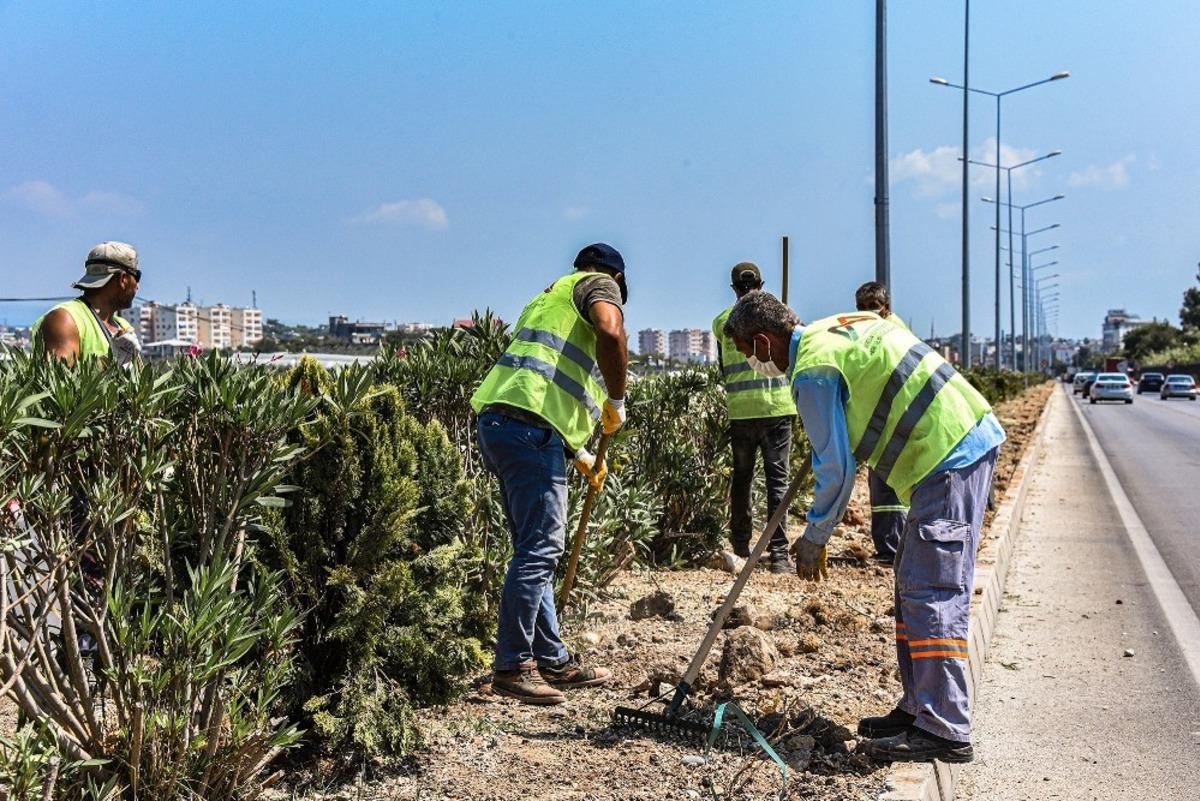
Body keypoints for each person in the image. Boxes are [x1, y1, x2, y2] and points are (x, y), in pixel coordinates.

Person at [723, 292, 1005, 763]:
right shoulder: (835, 328)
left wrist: (814, 537)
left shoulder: (811, 371)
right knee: (912, 585)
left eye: (748, 353)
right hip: (954, 442)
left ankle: (945, 728)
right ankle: (919, 710)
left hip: (946, 453)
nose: (753, 362)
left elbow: (836, 466)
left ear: (762, 341)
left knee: (932, 591)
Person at [469, 243, 628, 705]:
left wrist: (578, 452)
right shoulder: (598, 285)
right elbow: (611, 333)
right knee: (540, 550)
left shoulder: (548, 297)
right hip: (527, 431)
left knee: (530, 549)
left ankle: (551, 659)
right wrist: (615, 400)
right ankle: (513, 666)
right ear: (616, 278)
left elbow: (545, 381)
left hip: (505, 424)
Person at [712, 263, 796, 572]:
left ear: (733, 288)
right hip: (777, 409)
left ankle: (740, 545)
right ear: (760, 284)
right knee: (778, 483)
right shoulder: (780, 314)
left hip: (741, 411)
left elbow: (723, 368)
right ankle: (778, 556)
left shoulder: (721, 322)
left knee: (742, 478)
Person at [854, 281, 909, 563]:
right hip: (879, 417)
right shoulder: (869, 332)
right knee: (880, 486)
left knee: (893, 485)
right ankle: (888, 545)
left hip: (894, 416)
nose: (866, 314)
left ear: (885, 308)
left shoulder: (894, 331)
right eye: (861, 308)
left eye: (872, 308)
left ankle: (897, 545)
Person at [33, 241, 142, 365]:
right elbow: (58, 380)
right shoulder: (65, 320)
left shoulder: (123, 326)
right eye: (137, 276)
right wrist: (111, 361)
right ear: (123, 279)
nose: (137, 287)